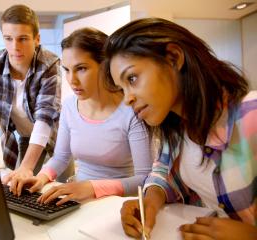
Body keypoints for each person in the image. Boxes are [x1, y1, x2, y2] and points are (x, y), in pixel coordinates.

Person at [104, 18, 257, 239]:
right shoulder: (175, 127)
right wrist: (149, 202)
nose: (127, 99)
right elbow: (162, 174)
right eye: (121, 88)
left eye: (132, 78)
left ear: (174, 58)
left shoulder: (251, 115)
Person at [3, 27, 152, 204]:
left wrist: (92, 187)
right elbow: (60, 158)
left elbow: (145, 179)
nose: (72, 80)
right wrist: (41, 177)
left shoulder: (132, 111)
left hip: (117, 204)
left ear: (105, 65)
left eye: (81, 68)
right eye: (66, 70)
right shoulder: (69, 106)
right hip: (78, 198)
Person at [0, 4, 73, 180]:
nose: (15, 47)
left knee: (61, 190)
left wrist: (26, 167)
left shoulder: (49, 64)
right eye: (8, 38)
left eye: (22, 39)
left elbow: (45, 118)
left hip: (57, 140)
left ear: (37, 39)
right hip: (25, 137)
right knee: (20, 187)